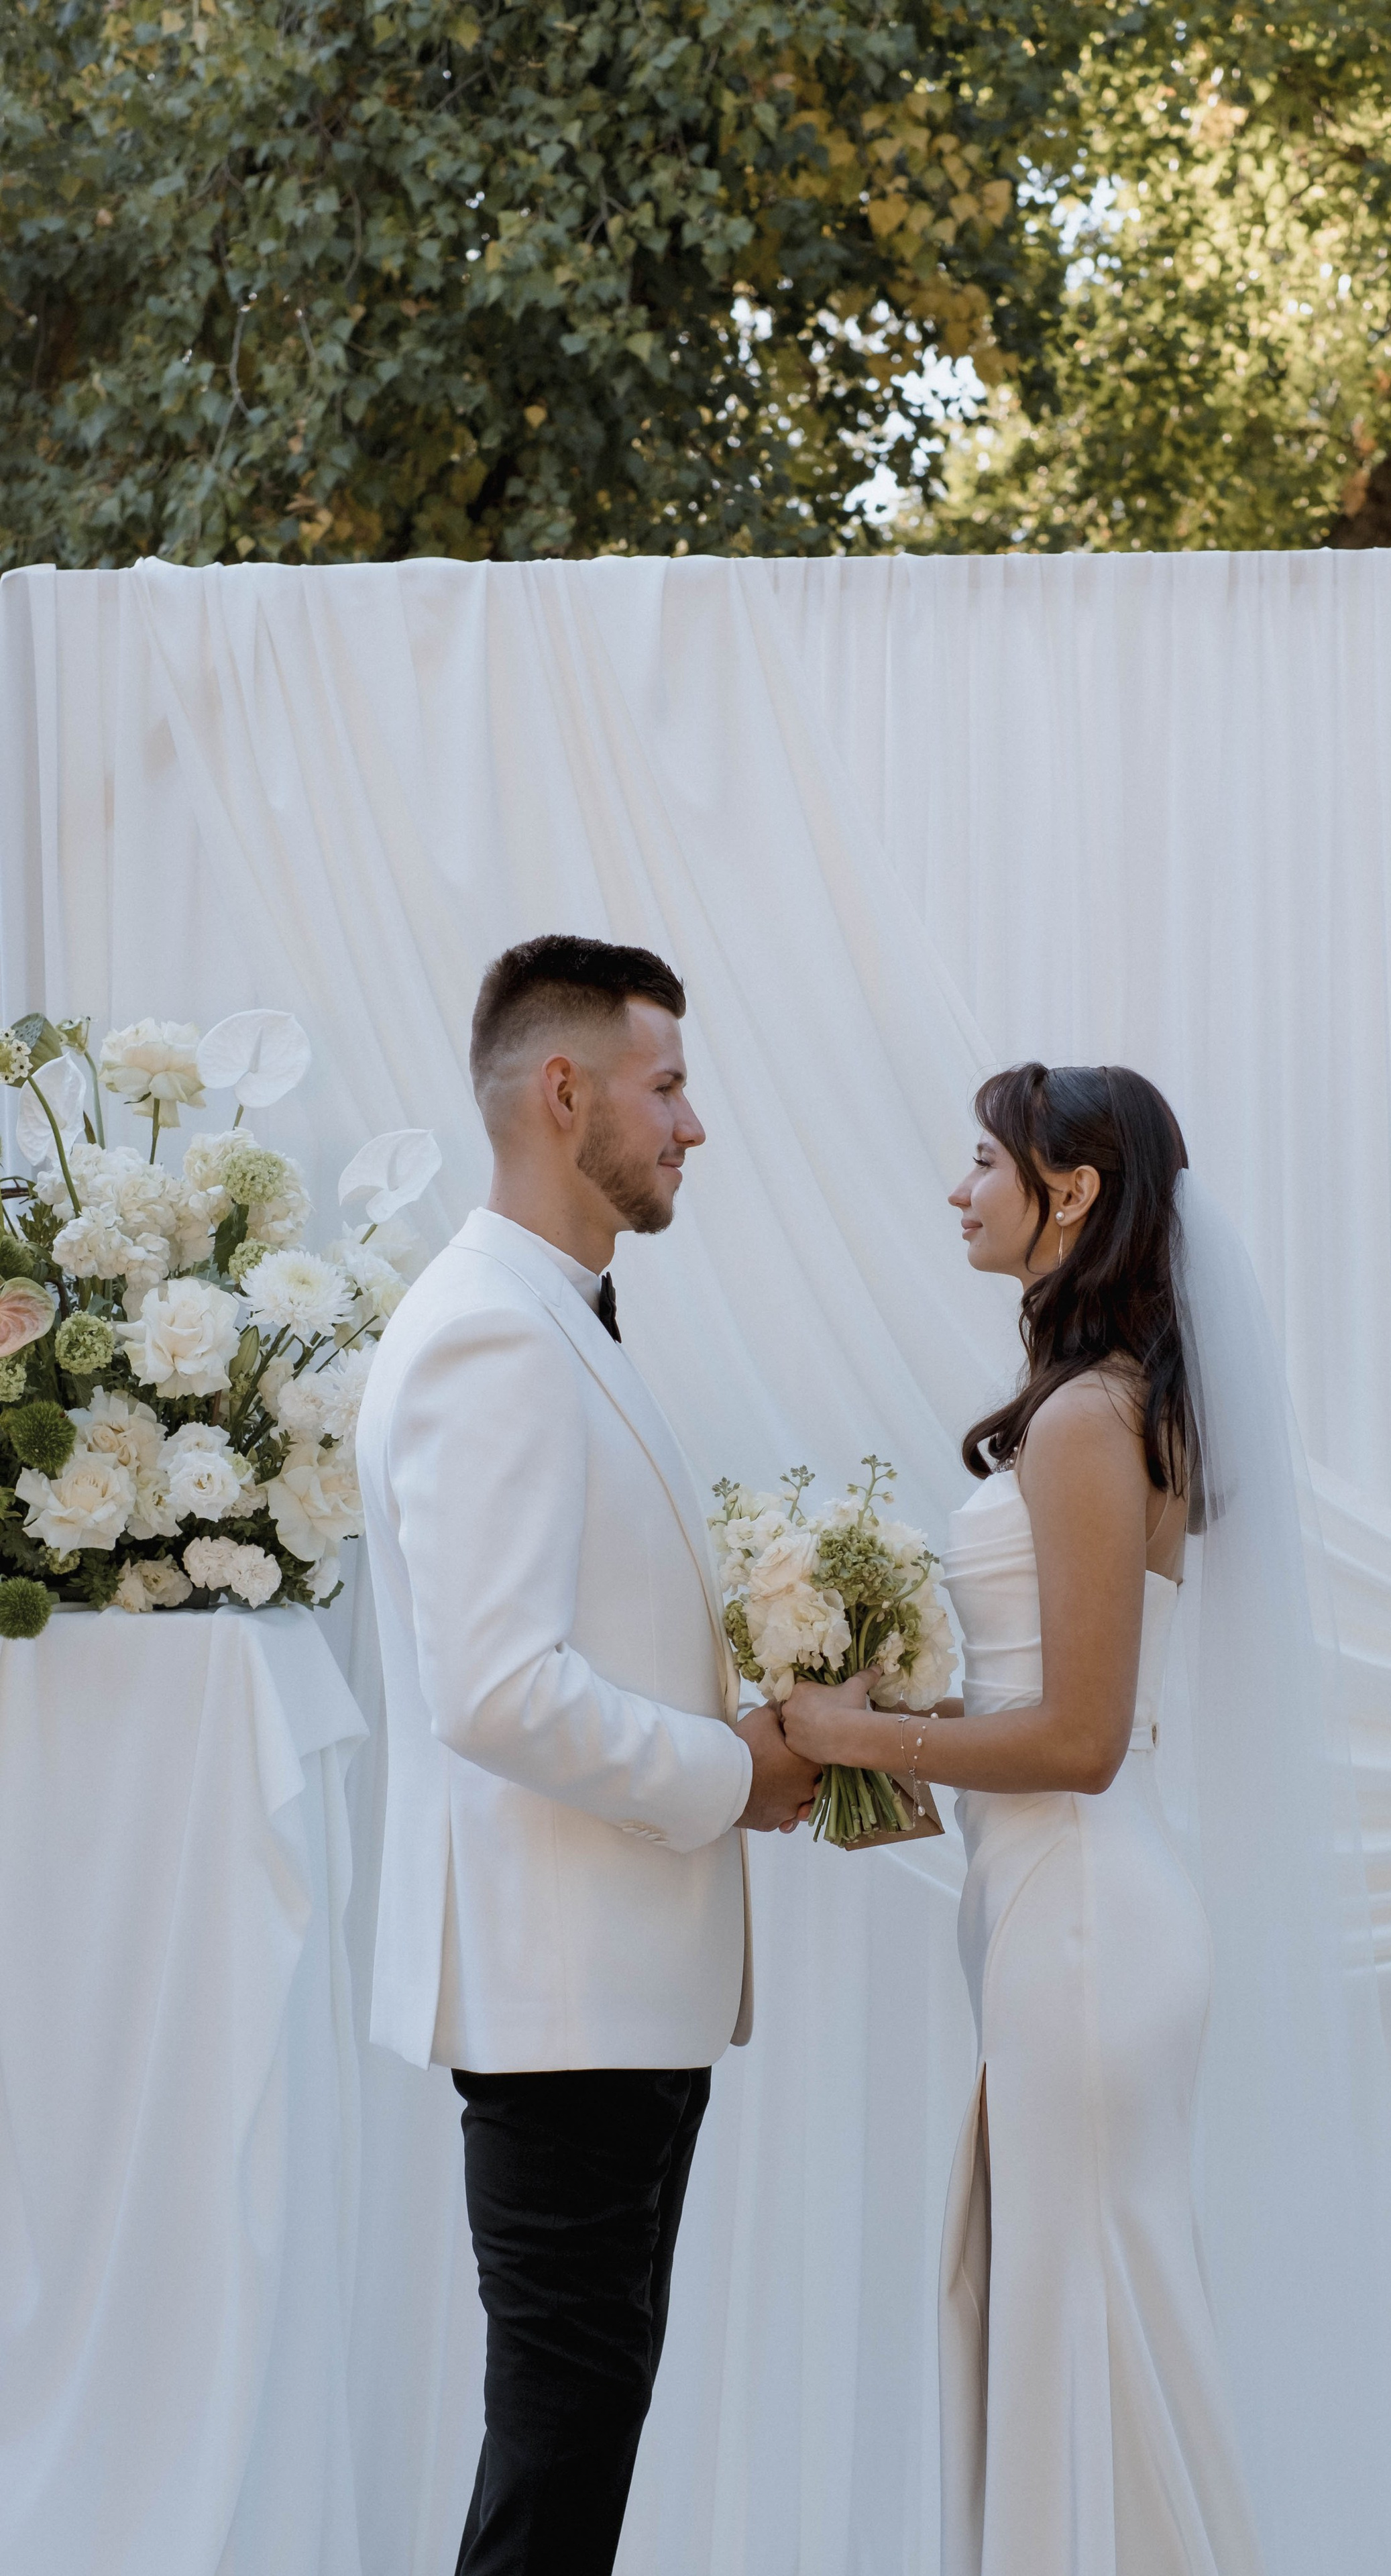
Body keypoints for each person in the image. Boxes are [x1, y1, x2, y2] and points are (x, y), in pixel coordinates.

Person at [779, 1063, 1391, 2576]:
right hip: (1062, 1914)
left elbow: (1079, 1742)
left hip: (1081, 1922)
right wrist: (900, 1722)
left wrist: (842, 1730)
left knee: (1086, 2317)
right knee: (1069, 2303)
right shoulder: (1105, 1399)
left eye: (980, 1163)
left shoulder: (1086, 1417)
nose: (955, 1190)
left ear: (1069, 1191)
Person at [356, 932, 819, 2576]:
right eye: (669, 1084)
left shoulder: (546, 1316)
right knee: (559, 2453)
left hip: (602, 1995)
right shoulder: (491, 1330)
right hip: (566, 1997)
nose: (693, 1126)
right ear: (566, 1094)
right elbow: (491, 1688)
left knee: (575, 2439)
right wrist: (731, 1772)